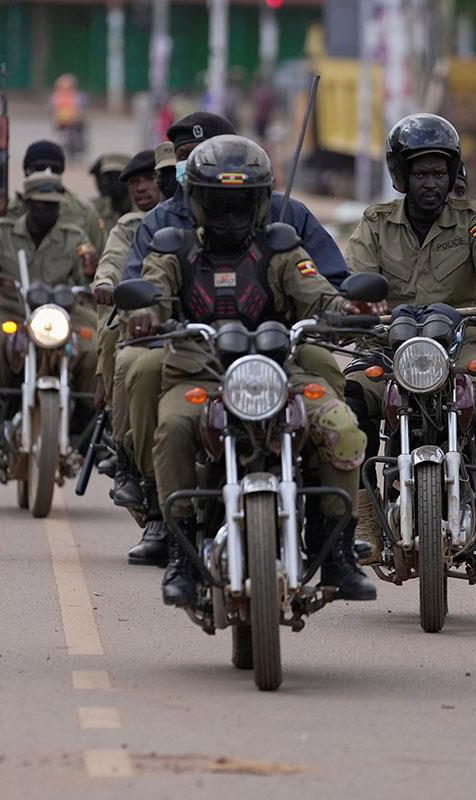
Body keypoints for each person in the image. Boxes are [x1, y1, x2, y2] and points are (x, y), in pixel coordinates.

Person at [128, 134, 376, 606]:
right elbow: (152, 289)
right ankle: (181, 553)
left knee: (342, 425)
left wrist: (347, 309)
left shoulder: (282, 249)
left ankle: (337, 551)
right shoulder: (172, 249)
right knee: (174, 427)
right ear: (196, 202)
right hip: (198, 374)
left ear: (261, 202)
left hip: (278, 372)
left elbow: (318, 293)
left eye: (241, 202)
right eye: (218, 203)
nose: (230, 213)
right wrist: (145, 313)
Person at [344, 113, 476, 563]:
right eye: (420, 173)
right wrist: (352, 306)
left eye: (438, 173)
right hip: (387, 343)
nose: (430, 183)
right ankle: (365, 515)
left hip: (457, 344)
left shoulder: (473, 221)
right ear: (401, 175)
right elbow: (351, 277)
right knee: (351, 396)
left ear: (452, 175)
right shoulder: (374, 223)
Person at [0, 140, 105, 444]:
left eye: (52, 206)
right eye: (39, 205)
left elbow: (89, 276)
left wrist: (94, 275)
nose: (46, 212)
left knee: (94, 351)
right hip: (13, 309)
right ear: (26, 203)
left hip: (66, 312)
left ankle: (88, 424)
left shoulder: (75, 235)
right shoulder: (1, 230)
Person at [121, 112, 349, 288]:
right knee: (134, 352)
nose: (193, 163)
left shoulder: (287, 213)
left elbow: (333, 281)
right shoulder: (158, 222)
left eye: (204, 154)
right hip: (187, 341)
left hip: (277, 338)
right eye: (184, 157)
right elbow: (137, 290)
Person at [90, 150, 165, 564]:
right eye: (133, 182)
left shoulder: (216, 218)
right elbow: (115, 265)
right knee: (117, 336)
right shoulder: (132, 226)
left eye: (152, 178)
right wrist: (104, 282)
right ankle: (127, 460)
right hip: (152, 329)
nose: (142, 187)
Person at [89, 153, 133, 235]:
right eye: (106, 177)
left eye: (115, 176)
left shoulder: (145, 209)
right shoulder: (94, 211)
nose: (106, 182)